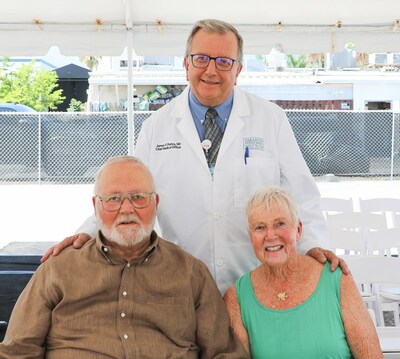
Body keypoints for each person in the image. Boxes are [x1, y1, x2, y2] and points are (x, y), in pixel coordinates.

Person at [42, 19, 347, 294]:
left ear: (238, 70)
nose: (211, 70)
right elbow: (129, 196)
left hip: (257, 284)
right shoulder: (156, 127)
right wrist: (86, 232)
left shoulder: (271, 119)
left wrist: (314, 247)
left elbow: (302, 196)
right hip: (181, 285)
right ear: (186, 65)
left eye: (224, 61)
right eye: (201, 58)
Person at [0, 156, 248, 358]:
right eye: (114, 199)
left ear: (156, 202)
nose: (127, 209)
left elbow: (223, 353)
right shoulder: (58, 269)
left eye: (138, 197)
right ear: (96, 206)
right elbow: (17, 352)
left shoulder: (191, 273)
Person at [224, 186, 383, 358]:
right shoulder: (237, 298)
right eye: (260, 227)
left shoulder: (336, 279)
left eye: (280, 224)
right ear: (251, 237)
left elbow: (370, 355)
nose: (270, 235)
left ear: (298, 230)